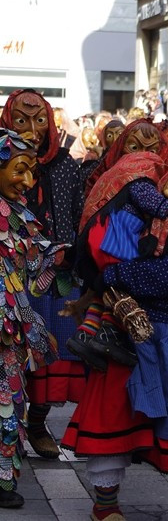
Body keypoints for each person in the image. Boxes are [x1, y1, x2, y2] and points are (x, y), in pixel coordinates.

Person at [62, 152, 168, 521]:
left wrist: (119, 277)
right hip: (125, 332)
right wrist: (106, 268)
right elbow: (106, 252)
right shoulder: (143, 214)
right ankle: (105, 503)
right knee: (114, 414)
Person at [0, 89, 85, 460]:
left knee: (52, 347)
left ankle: (37, 422)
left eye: (39, 120)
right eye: (22, 120)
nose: (32, 129)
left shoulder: (66, 164)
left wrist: (77, 251)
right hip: (15, 278)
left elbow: (79, 210)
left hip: (56, 271)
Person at [67, 152, 168, 371]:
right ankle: (110, 333)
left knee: (106, 288)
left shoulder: (114, 175)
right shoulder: (139, 176)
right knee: (121, 285)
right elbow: (144, 196)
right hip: (119, 234)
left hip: (102, 233)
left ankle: (86, 334)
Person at [0, 130, 67, 509]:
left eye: (31, 172)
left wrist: (64, 257)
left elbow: (33, 264)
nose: (26, 181)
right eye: (19, 170)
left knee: (8, 402)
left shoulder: (21, 213)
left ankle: (2, 478)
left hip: (11, 327)